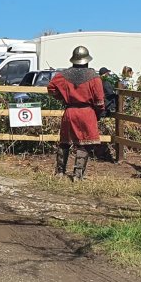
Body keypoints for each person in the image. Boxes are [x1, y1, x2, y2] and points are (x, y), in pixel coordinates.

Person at [47, 46, 106, 181]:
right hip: (87, 113)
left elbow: (51, 88)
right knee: (84, 144)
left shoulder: (63, 75)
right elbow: (99, 101)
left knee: (65, 142)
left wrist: (62, 97)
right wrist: (98, 113)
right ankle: (78, 176)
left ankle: (60, 173)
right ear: (87, 60)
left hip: (70, 111)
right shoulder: (94, 77)